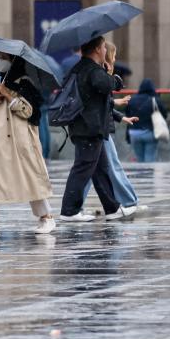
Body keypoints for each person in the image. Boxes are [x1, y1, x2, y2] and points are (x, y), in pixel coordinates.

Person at [0, 58, 56, 236]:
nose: (0, 62)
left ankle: (47, 217)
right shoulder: (1, 83)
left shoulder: (26, 84)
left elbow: (29, 111)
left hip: (20, 139)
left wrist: (8, 95)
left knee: (30, 176)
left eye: (4, 58)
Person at [58, 35, 125, 222]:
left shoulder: (80, 67)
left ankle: (112, 208)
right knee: (83, 168)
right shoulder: (92, 69)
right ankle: (69, 210)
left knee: (99, 168)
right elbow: (104, 84)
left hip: (87, 127)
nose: (106, 51)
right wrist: (116, 80)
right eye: (104, 47)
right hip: (89, 127)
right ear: (96, 49)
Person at [127, 78, 165, 163]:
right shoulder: (155, 100)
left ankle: (141, 175)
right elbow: (164, 114)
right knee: (150, 158)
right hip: (150, 133)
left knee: (139, 159)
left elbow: (127, 116)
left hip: (134, 133)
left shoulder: (132, 100)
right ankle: (148, 176)